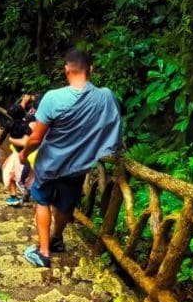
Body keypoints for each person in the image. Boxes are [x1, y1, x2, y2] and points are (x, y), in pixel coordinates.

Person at [18, 49, 122, 268]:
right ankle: (56, 239)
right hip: (78, 165)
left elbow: (37, 137)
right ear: (90, 69)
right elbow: (112, 128)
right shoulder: (105, 97)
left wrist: (23, 154)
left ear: (66, 70)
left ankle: (44, 253)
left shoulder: (54, 98)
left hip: (50, 163)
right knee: (65, 204)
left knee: (43, 200)